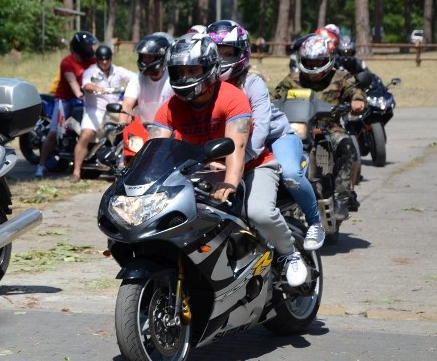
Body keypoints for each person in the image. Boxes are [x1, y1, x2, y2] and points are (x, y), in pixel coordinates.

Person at [148, 33, 307, 287]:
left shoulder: (231, 97)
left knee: (259, 212)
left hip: (253, 166)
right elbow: (154, 149)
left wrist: (230, 182)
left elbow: (238, 145)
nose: (186, 77)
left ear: (209, 68)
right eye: (180, 71)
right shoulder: (170, 107)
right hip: (203, 171)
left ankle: (290, 254)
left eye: (193, 69)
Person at [207, 19, 325, 250]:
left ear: (241, 53)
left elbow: (260, 130)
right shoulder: (205, 84)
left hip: (275, 138)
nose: (221, 60)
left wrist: (234, 164)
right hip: (236, 144)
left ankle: (314, 223)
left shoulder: (252, 82)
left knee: (291, 173)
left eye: (228, 53)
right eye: (215, 54)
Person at [273, 33, 366, 219]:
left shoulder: (340, 77)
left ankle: (341, 197)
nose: (313, 67)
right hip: (295, 128)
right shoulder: (292, 80)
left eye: (318, 63)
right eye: (309, 62)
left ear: (328, 60)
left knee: (345, 145)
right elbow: (274, 98)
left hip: (330, 128)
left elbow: (356, 91)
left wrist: (357, 102)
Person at [34, 30, 98, 178]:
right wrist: (80, 95)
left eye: (91, 47)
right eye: (88, 47)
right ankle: (40, 165)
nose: (90, 50)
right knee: (54, 131)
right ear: (80, 47)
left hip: (84, 98)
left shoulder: (92, 61)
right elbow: (72, 82)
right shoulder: (67, 62)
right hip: (64, 99)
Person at [70, 45, 133, 182]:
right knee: (86, 135)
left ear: (111, 58)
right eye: (101, 59)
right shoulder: (91, 71)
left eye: (107, 59)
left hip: (114, 109)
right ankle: (76, 170)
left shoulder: (118, 70)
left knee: (131, 129)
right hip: (95, 109)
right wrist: (97, 88)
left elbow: (134, 78)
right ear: (97, 59)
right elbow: (86, 84)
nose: (105, 62)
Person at [119, 32, 174, 156]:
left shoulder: (172, 78)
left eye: (150, 57)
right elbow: (127, 104)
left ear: (161, 57)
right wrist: (121, 125)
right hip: (142, 128)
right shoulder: (137, 78)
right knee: (125, 157)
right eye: (143, 57)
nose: (145, 61)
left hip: (168, 129)